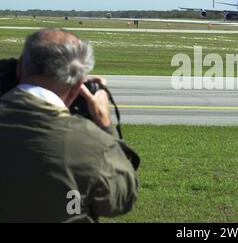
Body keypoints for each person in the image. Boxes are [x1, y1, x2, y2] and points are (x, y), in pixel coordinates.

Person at [0, 28, 139, 222]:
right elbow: (121, 199)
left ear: (19, 69)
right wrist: (105, 124)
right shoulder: (93, 143)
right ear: (78, 85)